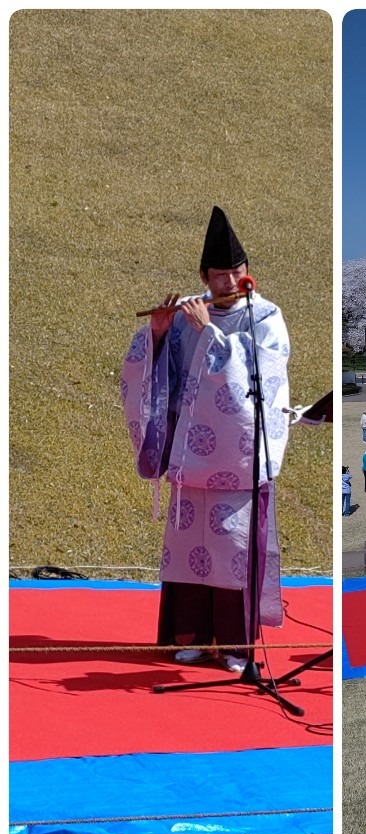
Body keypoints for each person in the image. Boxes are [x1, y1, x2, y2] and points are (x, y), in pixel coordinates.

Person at [121, 205, 290, 671]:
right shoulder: (184, 314)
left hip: (236, 459)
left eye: (237, 271)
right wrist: (158, 332)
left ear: (247, 272)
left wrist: (209, 333)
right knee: (188, 550)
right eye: (219, 274)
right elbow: (161, 377)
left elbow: (264, 375)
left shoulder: (266, 317)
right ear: (204, 275)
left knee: (231, 551)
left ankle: (236, 646)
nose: (229, 281)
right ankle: (191, 635)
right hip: (189, 454)